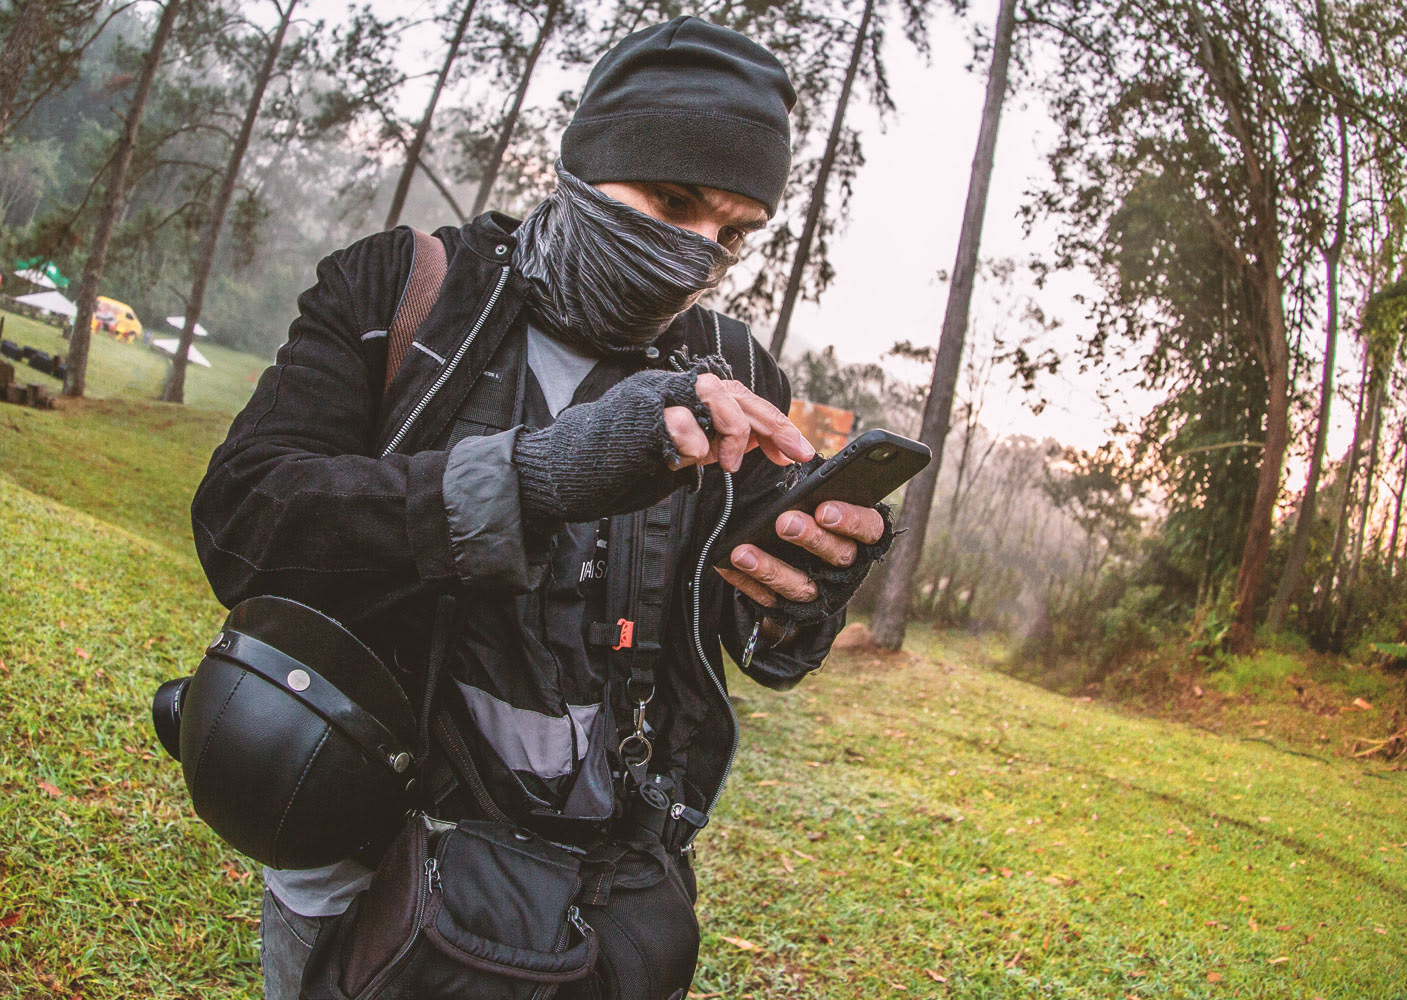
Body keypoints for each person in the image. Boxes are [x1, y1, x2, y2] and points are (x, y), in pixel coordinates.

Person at [191, 16, 893, 999]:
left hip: (597, 893)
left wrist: (807, 588)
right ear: (585, 164)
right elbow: (243, 520)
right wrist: (541, 475)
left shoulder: (735, 368)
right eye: (672, 202)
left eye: (733, 233)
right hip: (372, 860)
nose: (697, 253)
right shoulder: (404, 290)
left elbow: (750, 631)